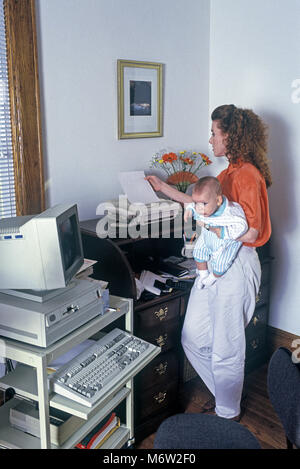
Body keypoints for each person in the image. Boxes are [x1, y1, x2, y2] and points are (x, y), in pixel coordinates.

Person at [146, 104, 272, 421]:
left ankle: (228, 414)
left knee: (226, 346)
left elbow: (252, 230)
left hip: (237, 265)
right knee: (193, 337)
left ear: (230, 136)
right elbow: (199, 203)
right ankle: (226, 392)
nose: (211, 138)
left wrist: (213, 233)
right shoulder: (225, 174)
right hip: (216, 264)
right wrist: (163, 188)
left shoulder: (247, 175)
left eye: (214, 132)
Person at [184, 176, 248, 289]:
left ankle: (212, 278)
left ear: (218, 200)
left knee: (221, 264)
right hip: (207, 237)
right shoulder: (203, 207)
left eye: (203, 204)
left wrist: (217, 230)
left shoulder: (230, 213)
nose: (199, 209)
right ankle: (203, 275)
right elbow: (194, 206)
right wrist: (189, 209)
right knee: (198, 252)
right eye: (196, 203)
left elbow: (242, 226)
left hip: (224, 242)